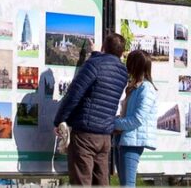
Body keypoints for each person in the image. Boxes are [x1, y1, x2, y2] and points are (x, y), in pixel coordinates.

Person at [53, 32, 128, 186]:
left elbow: (73, 95)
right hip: (105, 137)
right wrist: (95, 54)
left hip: (85, 135)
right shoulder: (122, 73)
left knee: (82, 181)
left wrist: (59, 120)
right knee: (101, 182)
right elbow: (104, 74)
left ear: (104, 46)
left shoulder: (94, 65)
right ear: (122, 52)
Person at [114, 50, 158, 187]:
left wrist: (113, 123)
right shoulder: (135, 87)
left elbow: (137, 119)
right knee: (124, 184)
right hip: (123, 139)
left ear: (135, 66)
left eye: (129, 64)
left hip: (132, 142)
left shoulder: (147, 89)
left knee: (127, 185)